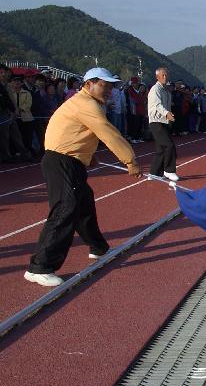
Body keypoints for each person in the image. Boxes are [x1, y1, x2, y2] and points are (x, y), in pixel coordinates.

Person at [25, 68, 140, 287]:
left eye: (111, 86)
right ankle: (39, 267)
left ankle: (99, 248)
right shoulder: (86, 104)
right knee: (65, 208)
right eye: (104, 86)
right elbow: (107, 132)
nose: (109, 91)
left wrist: (88, 155)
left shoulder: (87, 103)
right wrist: (130, 160)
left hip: (70, 160)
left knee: (84, 204)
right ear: (89, 84)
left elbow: (77, 132)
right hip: (61, 162)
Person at [147, 67, 179, 181]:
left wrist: (169, 116)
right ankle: (169, 171)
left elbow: (167, 106)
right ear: (157, 77)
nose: (165, 77)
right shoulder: (155, 89)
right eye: (163, 75)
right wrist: (167, 114)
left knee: (161, 149)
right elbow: (157, 105)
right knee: (169, 145)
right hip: (156, 121)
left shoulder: (166, 91)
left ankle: (154, 173)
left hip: (164, 121)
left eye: (166, 75)